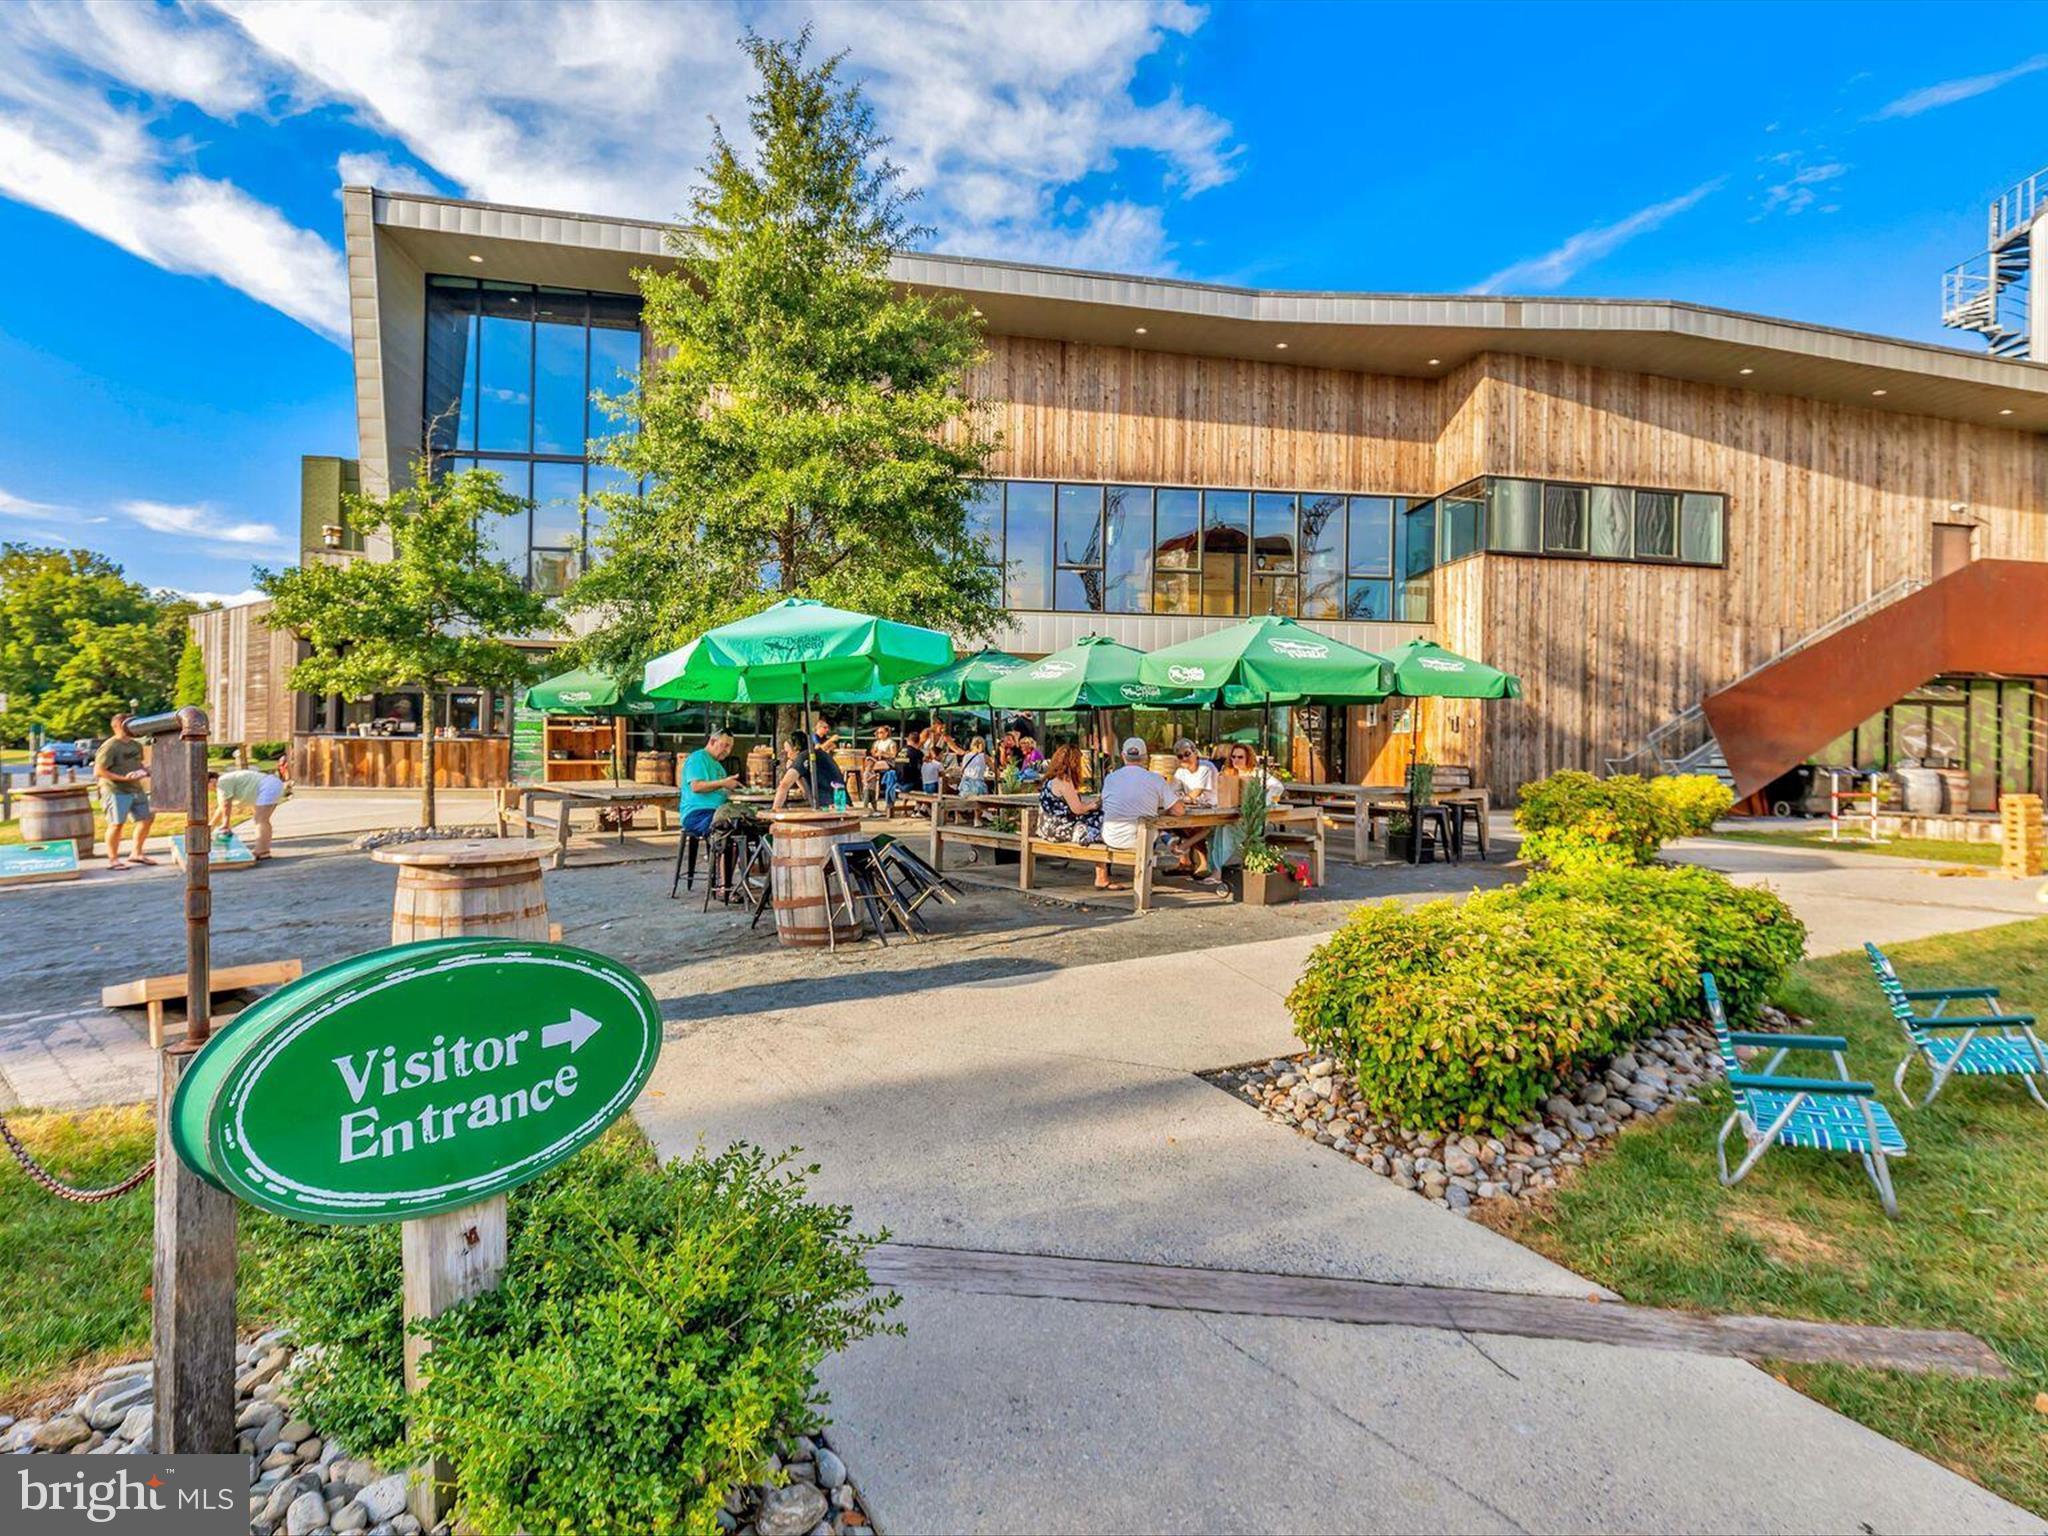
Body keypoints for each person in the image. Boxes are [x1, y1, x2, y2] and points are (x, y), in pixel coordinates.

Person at [1100, 736, 1206, 885]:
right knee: (1154, 827)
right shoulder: (1156, 779)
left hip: (1110, 837)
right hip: (1140, 840)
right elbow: (1179, 811)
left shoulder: (1110, 778)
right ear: (1145, 758)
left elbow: (1106, 805)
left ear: (1123, 756)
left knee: (1147, 824)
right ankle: (1174, 851)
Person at [1037, 744, 1114, 889]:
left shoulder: (1050, 780)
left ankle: (1103, 874)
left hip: (1046, 828)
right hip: (1060, 829)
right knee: (1099, 829)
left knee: (1095, 821)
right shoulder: (1065, 780)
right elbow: (1078, 809)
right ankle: (1102, 877)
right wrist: (1093, 805)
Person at [94, 714, 157, 870]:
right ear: (117, 726)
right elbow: (99, 771)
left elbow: (138, 764)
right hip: (115, 790)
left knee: (147, 818)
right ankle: (113, 859)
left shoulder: (136, 745)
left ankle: (136, 853)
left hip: (135, 788)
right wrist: (122, 778)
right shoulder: (110, 746)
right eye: (129, 724)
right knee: (117, 824)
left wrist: (145, 771)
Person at [210, 757, 291, 859]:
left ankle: (261, 851)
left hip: (267, 786)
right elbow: (221, 808)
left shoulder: (222, 782)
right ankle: (264, 851)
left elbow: (226, 805)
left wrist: (225, 824)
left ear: (212, 780)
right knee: (262, 820)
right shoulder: (226, 781)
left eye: (206, 786)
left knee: (260, 820)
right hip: (272, 784)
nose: (209, 790)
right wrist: (210, 826)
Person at [1169, 737, 1220, 877]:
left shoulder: (1206, 767)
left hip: (1213, 810)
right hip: (1191, 811)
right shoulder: (1180, 772)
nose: (1184, 758)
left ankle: (1203, 862)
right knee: (1169, 823)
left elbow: (1196, 793)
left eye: (1187, 754)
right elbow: (1170, 792)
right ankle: (1185, 861)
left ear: (1195, 753)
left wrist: (1182, 797)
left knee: (1192, 826)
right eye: (1180, 756)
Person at [678, 730, 739, 838]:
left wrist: (734, 789)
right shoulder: (698, 758)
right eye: (725, 746)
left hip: (717, 811)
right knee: (726, 825)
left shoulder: (718, 766)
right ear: (712, 742)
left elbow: (721, 790)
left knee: (745, 823)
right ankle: (717, 854)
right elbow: (696, 787)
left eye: (730, 747)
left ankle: (740, 854)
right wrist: (723, 783)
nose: (728, 751)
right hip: (697, 813)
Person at [772, 731, 847, 812]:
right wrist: (796, 774)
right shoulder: (819, 754)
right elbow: (805, 792)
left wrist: (774, 811)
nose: (788, 756)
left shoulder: (803, 756)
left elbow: (784, 785)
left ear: (796, 749)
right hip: (842, 803)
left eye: (788, 751)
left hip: (829, 807)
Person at [866, 724, 901, 812]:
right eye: (878, 733)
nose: (879, 734)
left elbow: (894, 755)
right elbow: (873, 753)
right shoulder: (877, 743)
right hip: (878, 761)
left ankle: (886, 800)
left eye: (881, 732)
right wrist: (876, 754)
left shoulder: (891, 743)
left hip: (888, 763)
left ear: (886, 733)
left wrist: (884, 753)